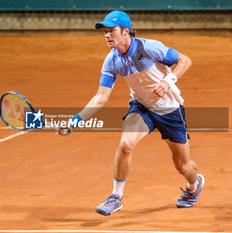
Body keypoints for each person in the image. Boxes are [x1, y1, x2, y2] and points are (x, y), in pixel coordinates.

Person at [57, 11, 204, 216]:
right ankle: (116, 197)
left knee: (183, 167)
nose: (107, 36)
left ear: (126, 32)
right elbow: (100, 96)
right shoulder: (111, 60)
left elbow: (185, 60)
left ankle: (193, 185)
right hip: (142, 107)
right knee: (126, 145)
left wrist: (166, 82)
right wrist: (75, 120)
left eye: (111, 31)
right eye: (105, 32)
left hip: (169, 109)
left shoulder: (149, 47)